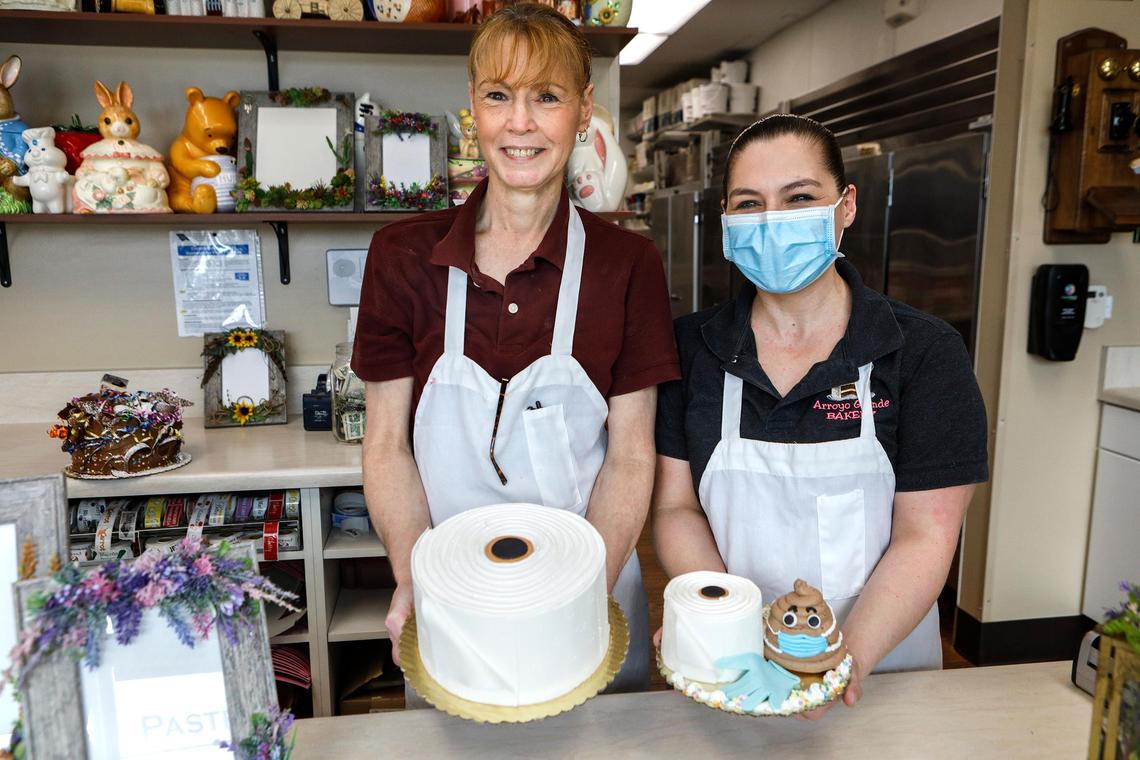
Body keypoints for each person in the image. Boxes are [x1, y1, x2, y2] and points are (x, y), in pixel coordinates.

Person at [352, 3, 679, 697]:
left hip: (596, 594)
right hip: (453, 603)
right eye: (499, 96)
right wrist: (416, 580)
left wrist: (581, 597)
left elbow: (629, 453)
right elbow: (386, 447)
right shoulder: (400, 257)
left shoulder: (628, 265)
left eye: (547, 97)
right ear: (472, 106)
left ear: (583, 109)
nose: (520, 123)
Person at [652, 114, 988, 713]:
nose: (773, 221)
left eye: (800, 198)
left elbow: (926, 534)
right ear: (727, 222)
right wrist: (722, 626)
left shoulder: (924, 353)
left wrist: (834, 666)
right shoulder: (690, 348)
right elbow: (677, 508)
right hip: (734, 671)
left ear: (846, 205)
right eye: (749, 204)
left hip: (878, 674)